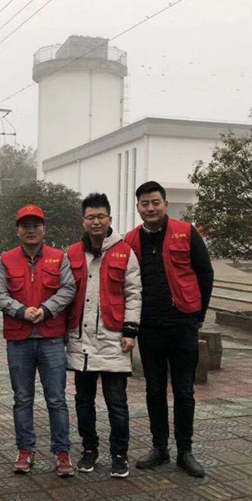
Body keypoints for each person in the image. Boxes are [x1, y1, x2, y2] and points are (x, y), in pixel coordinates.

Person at [124, 181, 213, 478]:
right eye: (145, 204)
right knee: (154, 389)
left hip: (183, 323)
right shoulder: (130, 240)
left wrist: (198, 314)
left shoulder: (186, 232)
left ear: (165, 204)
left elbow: (205, 272)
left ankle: (185, 451)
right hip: (149, 326)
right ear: (138, 208)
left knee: (184, 390)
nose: (150, 208)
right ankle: (159, 448)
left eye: (155, 202)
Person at [0, 204, 77, 477]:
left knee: (57, 399)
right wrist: (20, 311)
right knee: (22, 399)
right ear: (17, 230)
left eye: (35, 225)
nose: (31, 230)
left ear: (44, 229)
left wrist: (47, 309)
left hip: (51, 338)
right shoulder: (5, 260)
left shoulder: (58, 257)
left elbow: (69, 288)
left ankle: (62, 452)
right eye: (25, 226)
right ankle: (25, 450)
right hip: (19, 339)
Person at [66, 193, 141, 478]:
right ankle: (89, 450)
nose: (95, 222)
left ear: (110, 219)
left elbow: (134, 293)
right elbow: (64, 293)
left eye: (100, 217)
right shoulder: (72, 253)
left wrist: (130, 331)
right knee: (83, 402)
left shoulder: (125, 252)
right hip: (81, 341)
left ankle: (119, 454)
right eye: (90, 217)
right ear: (83, 221)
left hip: (114, 340)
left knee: (116, 403)